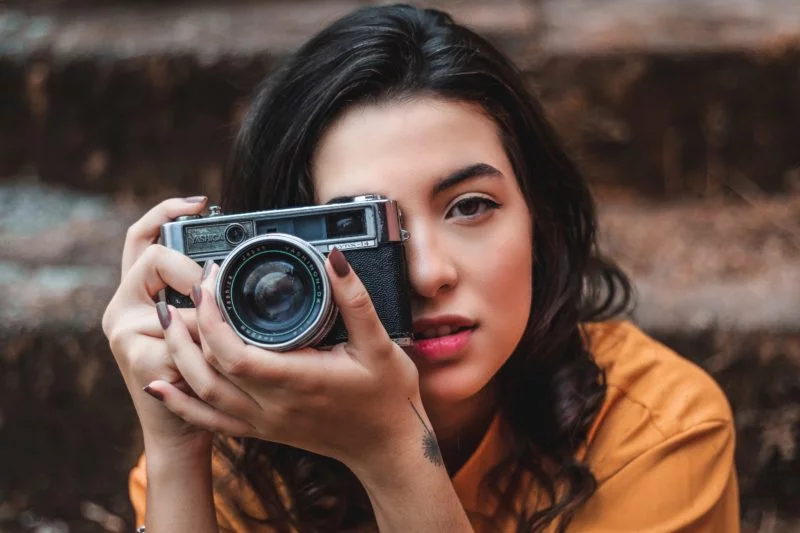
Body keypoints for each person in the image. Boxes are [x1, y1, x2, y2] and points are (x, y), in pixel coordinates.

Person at [101, 4, 739, 532]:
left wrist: (393, 455)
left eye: (470, 207)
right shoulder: (236, 439)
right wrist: (178, 450)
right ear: (279, 255)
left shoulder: (659, 433)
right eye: (359, 227)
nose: (429, 274)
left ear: (538, 222)